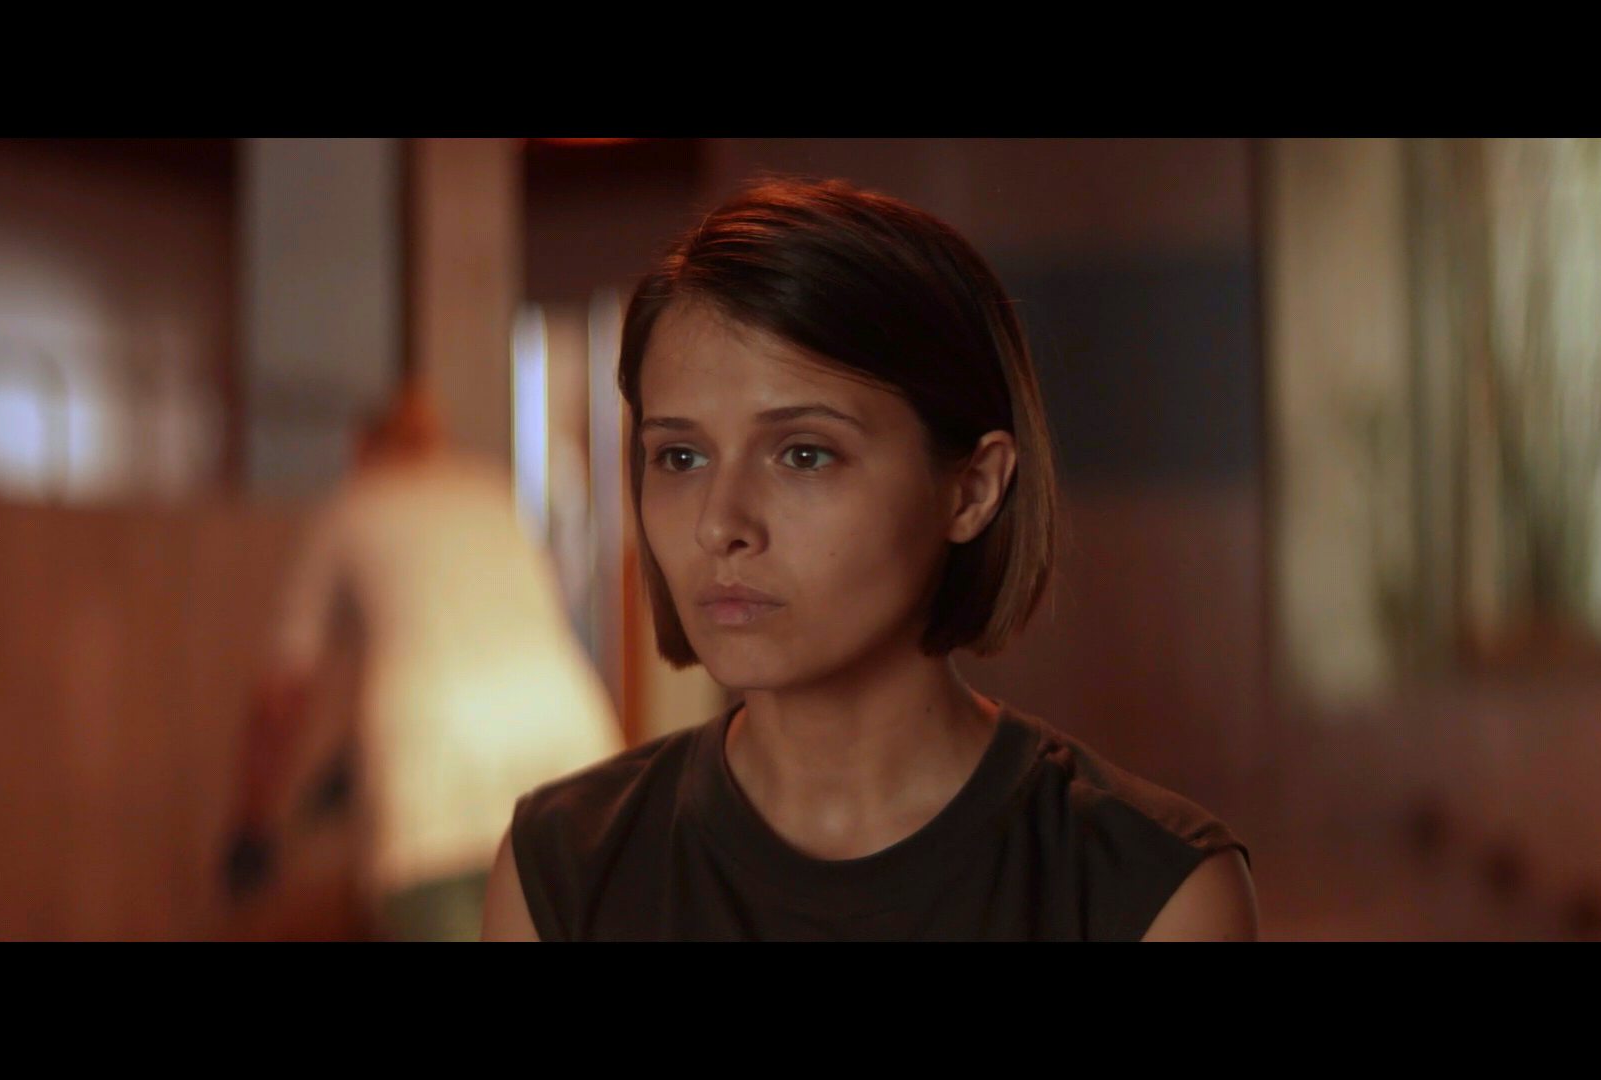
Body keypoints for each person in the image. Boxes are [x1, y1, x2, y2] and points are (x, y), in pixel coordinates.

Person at [482, 177, 1258, 942]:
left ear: (972, 489)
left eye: (804, 454)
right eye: (681, 457)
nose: (720, 524)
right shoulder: (563, 870)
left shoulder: (1144, 889)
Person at [228, 374, 624, 941]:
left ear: (360, 449)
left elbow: (282, 695)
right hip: (572, 756)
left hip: (434, 780)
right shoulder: (492, 493)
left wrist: (252, 825)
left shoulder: (354, 505)